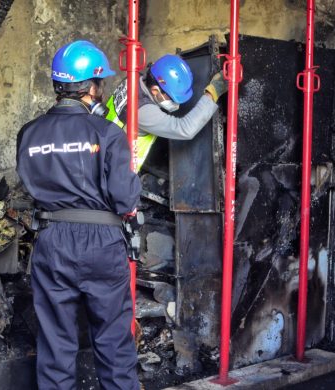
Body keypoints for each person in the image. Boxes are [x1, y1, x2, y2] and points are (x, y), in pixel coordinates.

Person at [16, 40, 142, 390]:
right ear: (90, 87)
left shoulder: (28, 134)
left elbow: (29, 183)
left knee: (55, 343)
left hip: (52, 241)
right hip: (102, 242)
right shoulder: (107, 132)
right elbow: (125, 200)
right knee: (114, 342)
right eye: (100, 85)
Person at [106, 54, 228, 171]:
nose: (177, 104)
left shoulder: (133, 79)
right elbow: (185, 129)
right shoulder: (143, 111)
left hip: (105, 147)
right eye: (172, 98)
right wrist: (213, 92)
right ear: (155, 91)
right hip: (116, 173)